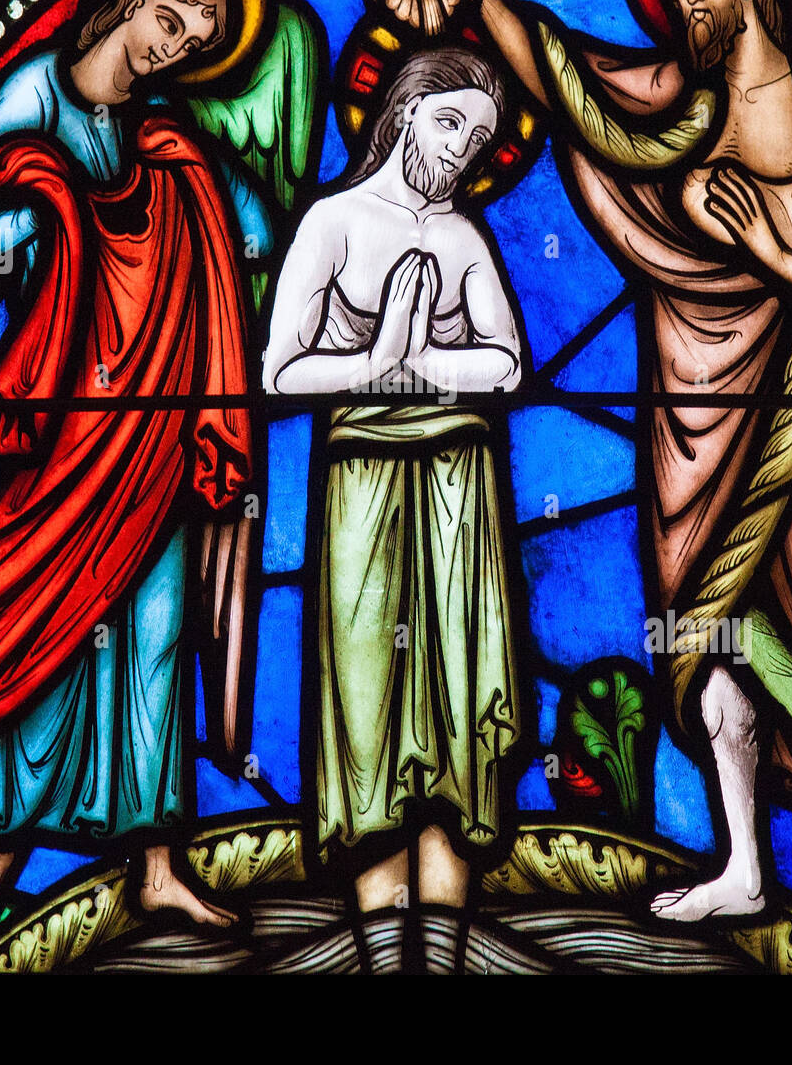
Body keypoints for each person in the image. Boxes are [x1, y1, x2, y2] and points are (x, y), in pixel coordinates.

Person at [375, 0, 792, 962]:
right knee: (704, 635)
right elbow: (571, 84)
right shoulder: (677, 95)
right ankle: (742, 861)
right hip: (688, 397)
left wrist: (772, 252)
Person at [0, 0, 254, 939]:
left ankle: (158, 864)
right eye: (170, 25)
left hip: (154, 421)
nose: (172, 52)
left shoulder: (157, 135)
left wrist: (207, 197)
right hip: (65, 420)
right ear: (130, 2)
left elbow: (242, 231)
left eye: (196, 45)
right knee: (52, 631)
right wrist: (56, 212)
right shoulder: (34, 92)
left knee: (159, 638)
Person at [263, 48, 523, 973]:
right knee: (369, 711)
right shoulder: (333, 222)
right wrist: (381, 363)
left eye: (479, 140)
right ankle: (381, 960)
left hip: (459, 485)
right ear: (404, 113)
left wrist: (421, 362)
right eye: (450, 124)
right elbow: (280, 370)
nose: (462, 152)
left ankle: (443, 959)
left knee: (455, 711)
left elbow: (509, 363)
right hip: (364, 488)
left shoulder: (463, 238)